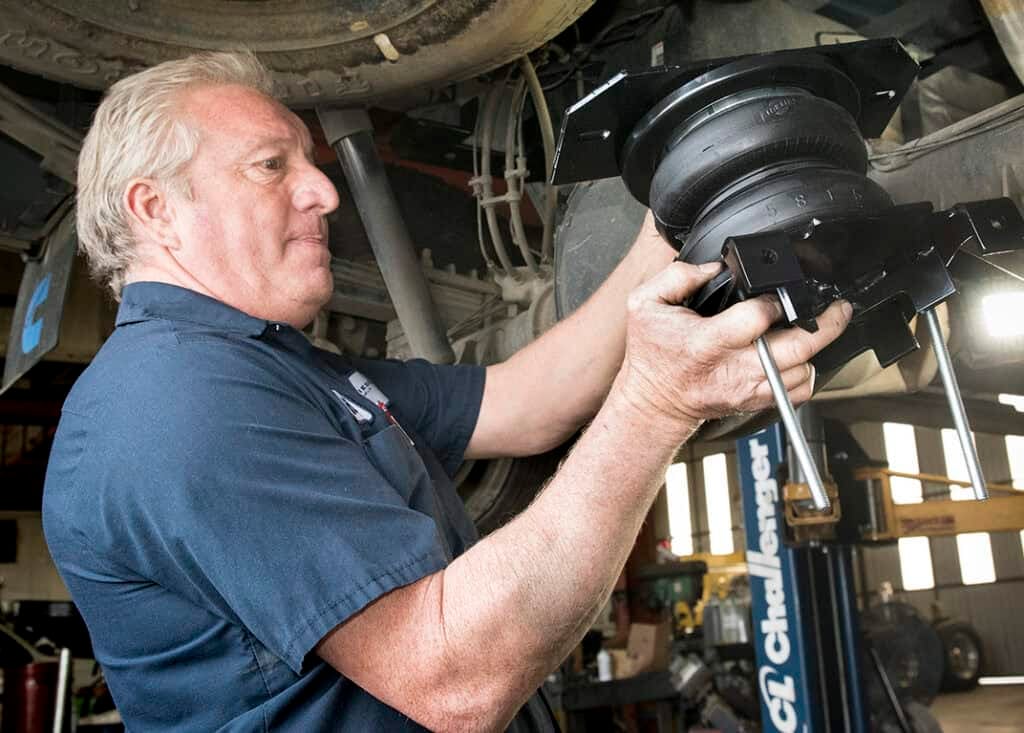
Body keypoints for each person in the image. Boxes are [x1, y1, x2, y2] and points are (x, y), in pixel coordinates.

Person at [42, 51, 851, 731]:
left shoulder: (274, 368)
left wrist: (667, 220)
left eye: (311, 163)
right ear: (156, 211)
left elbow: (523, 402)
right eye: (270, 164)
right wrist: (657, 404)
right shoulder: (179, 401)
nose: (323, 192)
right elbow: (455, 677)